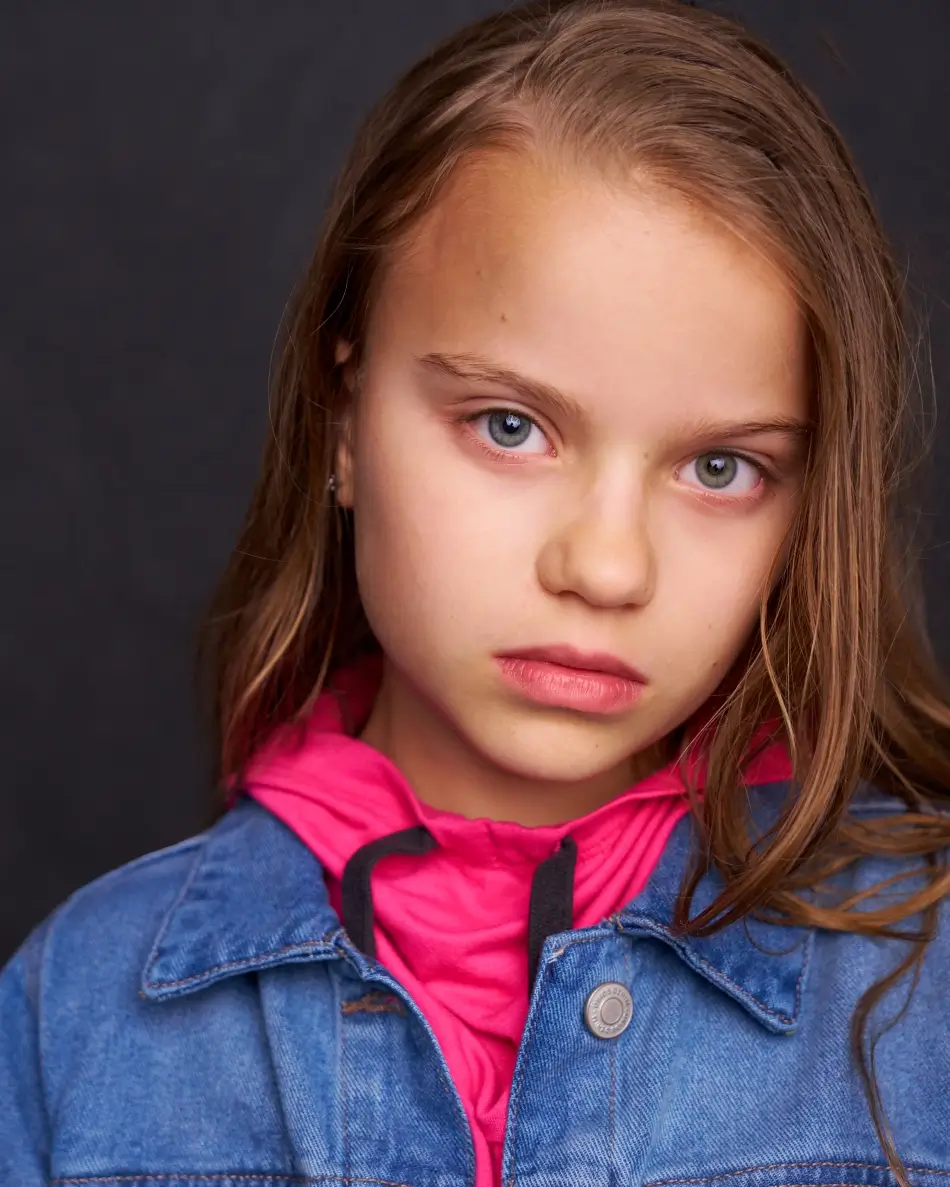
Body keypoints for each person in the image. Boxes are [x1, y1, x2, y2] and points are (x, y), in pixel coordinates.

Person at [4, 0, 950, 1183]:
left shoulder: (929, 993)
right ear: (341, 418)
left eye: (719, 467)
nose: (605, 568)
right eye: (509, 427)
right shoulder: (69, 1018)